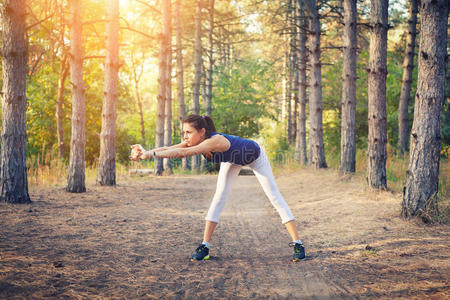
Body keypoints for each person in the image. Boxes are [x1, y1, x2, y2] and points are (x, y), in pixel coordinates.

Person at [130, 114, 306, 262]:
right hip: (232, 160)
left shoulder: (213, 142)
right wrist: (147, 152)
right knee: (219, 197)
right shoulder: (195, 142)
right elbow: (170, 148)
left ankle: (298, 244)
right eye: (184, 133)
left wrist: (149, 154)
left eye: (189, 132)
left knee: (273, 195)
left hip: (255, 156)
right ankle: (205, 246)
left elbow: (182, 153)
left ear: (202, 132)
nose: (185, 137)